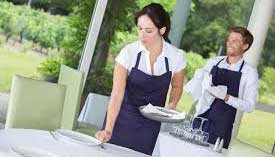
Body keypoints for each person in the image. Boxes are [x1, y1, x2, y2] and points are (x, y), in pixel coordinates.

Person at [95, 3, 186, 155]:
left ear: (162, 30)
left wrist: (172, 103)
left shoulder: (176, 56)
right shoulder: (128, 53)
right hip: (121, 120)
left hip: (149, 126)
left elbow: (177, 86)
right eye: (140, 29)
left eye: (149, 31)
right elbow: (116, 94)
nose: (142, 35)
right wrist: (108, 129)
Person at [190, 26, 258, 149]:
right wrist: (198, 79)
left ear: (245, 46)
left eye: (235, 41)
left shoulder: (249, 73)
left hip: (221, 127)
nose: (229, 43)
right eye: (229, 39)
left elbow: (249, 106)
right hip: (200, 118)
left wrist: (226, 97)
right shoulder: (213, 62)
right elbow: (201, 89)